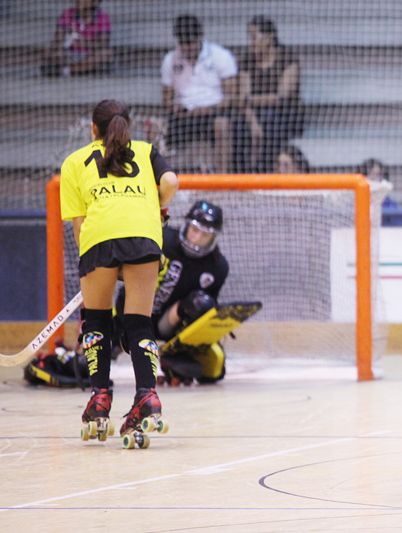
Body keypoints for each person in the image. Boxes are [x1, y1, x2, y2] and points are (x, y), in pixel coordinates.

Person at [59, 99, 179, 445]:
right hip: (144, 235)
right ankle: (147, 396)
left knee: (96, 320)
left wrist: (90, 262)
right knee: (139, 323)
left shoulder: (74, 162)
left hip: (99, 238)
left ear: (93, 129)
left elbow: (79, 225)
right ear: (128, 125)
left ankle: (99, 398)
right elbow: (171, 181)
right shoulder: (146, 151)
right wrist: (159, 206)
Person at [115, 200, 229, 385]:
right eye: (195, 230)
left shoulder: (218, 266)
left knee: (214, 369)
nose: (197, 238)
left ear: (213, 237)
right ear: (187, 225)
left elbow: (208, 314)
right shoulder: (161, 238)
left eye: (205, 235)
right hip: (131, 310)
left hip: (170, 323)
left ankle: (174, 354)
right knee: (93, 356)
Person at [161, 14, 237, 173]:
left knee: (222, 125)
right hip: (184, 116)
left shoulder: (220, 56)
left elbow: (231, 97)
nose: (187, 48)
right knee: (157, 128)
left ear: (199, 37)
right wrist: (176, 108)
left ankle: (222, 179)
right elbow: (167, 100)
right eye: (183, 43)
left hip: (214, 113)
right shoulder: (170, 60)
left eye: (190, 43)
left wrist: (208, 109)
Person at [235, 16, 304, 172]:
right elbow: (242, 98)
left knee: (270, 121)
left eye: (254, 37)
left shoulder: (287, 58)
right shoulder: (247, 60)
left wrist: (251, 100)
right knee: (238, 125)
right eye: (250, 37)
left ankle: (267, 171)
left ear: (269, 37)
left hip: (285, 114)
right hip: (254, 114)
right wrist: (253, 122)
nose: (251, 42)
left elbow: (282, 97)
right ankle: (244, 173)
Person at [41, 0, 112, 77]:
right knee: (49, 53)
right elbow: (57, 40)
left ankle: (67, 71)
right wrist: (64, 43)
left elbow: (103, 44)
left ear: (94, 2)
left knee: (105, 54)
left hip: (90, 55)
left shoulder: (103, 17)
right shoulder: (67, 14)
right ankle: (78, 70)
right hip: (69, 54)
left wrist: (83, 42)